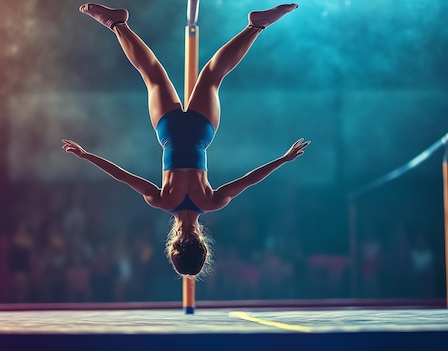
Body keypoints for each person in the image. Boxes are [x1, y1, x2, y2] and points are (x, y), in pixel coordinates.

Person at [62, 3, 309, 278]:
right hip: (169, 131)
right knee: (152, 75)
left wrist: (284, 159)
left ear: (203, 241)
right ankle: (118, 24)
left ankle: (255, 26)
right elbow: (121, 175)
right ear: (172, 244)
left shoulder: (211, 201)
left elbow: (251, 179)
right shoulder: (162, 200)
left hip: (201, 131)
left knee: (212, 75)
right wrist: (86, 156)